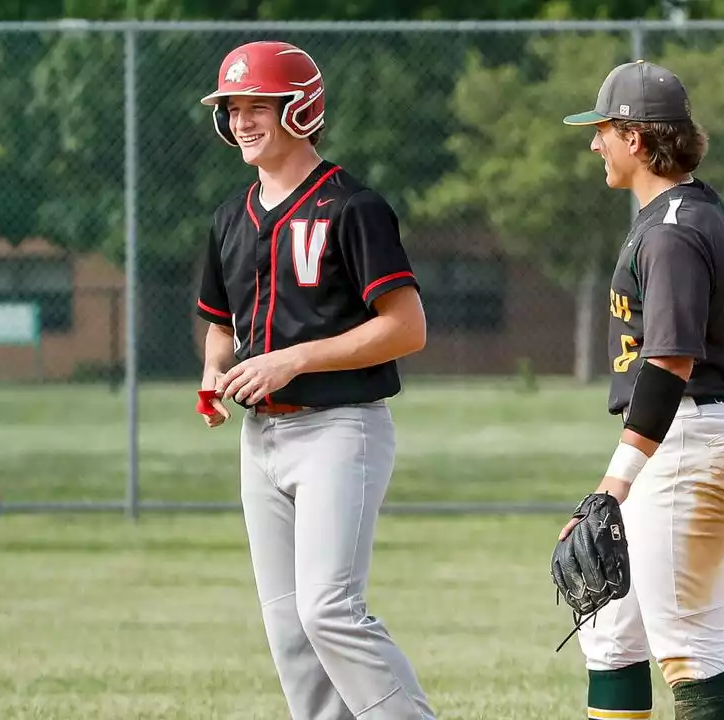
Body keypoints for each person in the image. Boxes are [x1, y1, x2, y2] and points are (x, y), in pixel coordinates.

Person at [194, 40, 436, 720]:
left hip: (340, 428)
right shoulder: (228, 218)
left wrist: (295, 358)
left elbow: (407, 327)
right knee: (290, 630)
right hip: (260, 438)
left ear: (301, 109)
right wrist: (215, 373)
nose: (241, 121)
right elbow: (220, 324)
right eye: (233, 108)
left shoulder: (353, 206)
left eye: (257, 107)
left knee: (329, 610)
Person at [557, 60, 724, 720]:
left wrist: (610, 486)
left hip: (688, 439)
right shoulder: (697, 211)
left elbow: (669, 361)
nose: (596, 144)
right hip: (682, 437)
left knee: (688, 646)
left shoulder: (671, 229)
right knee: (611, 634)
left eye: (605, 131)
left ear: (637, 139)